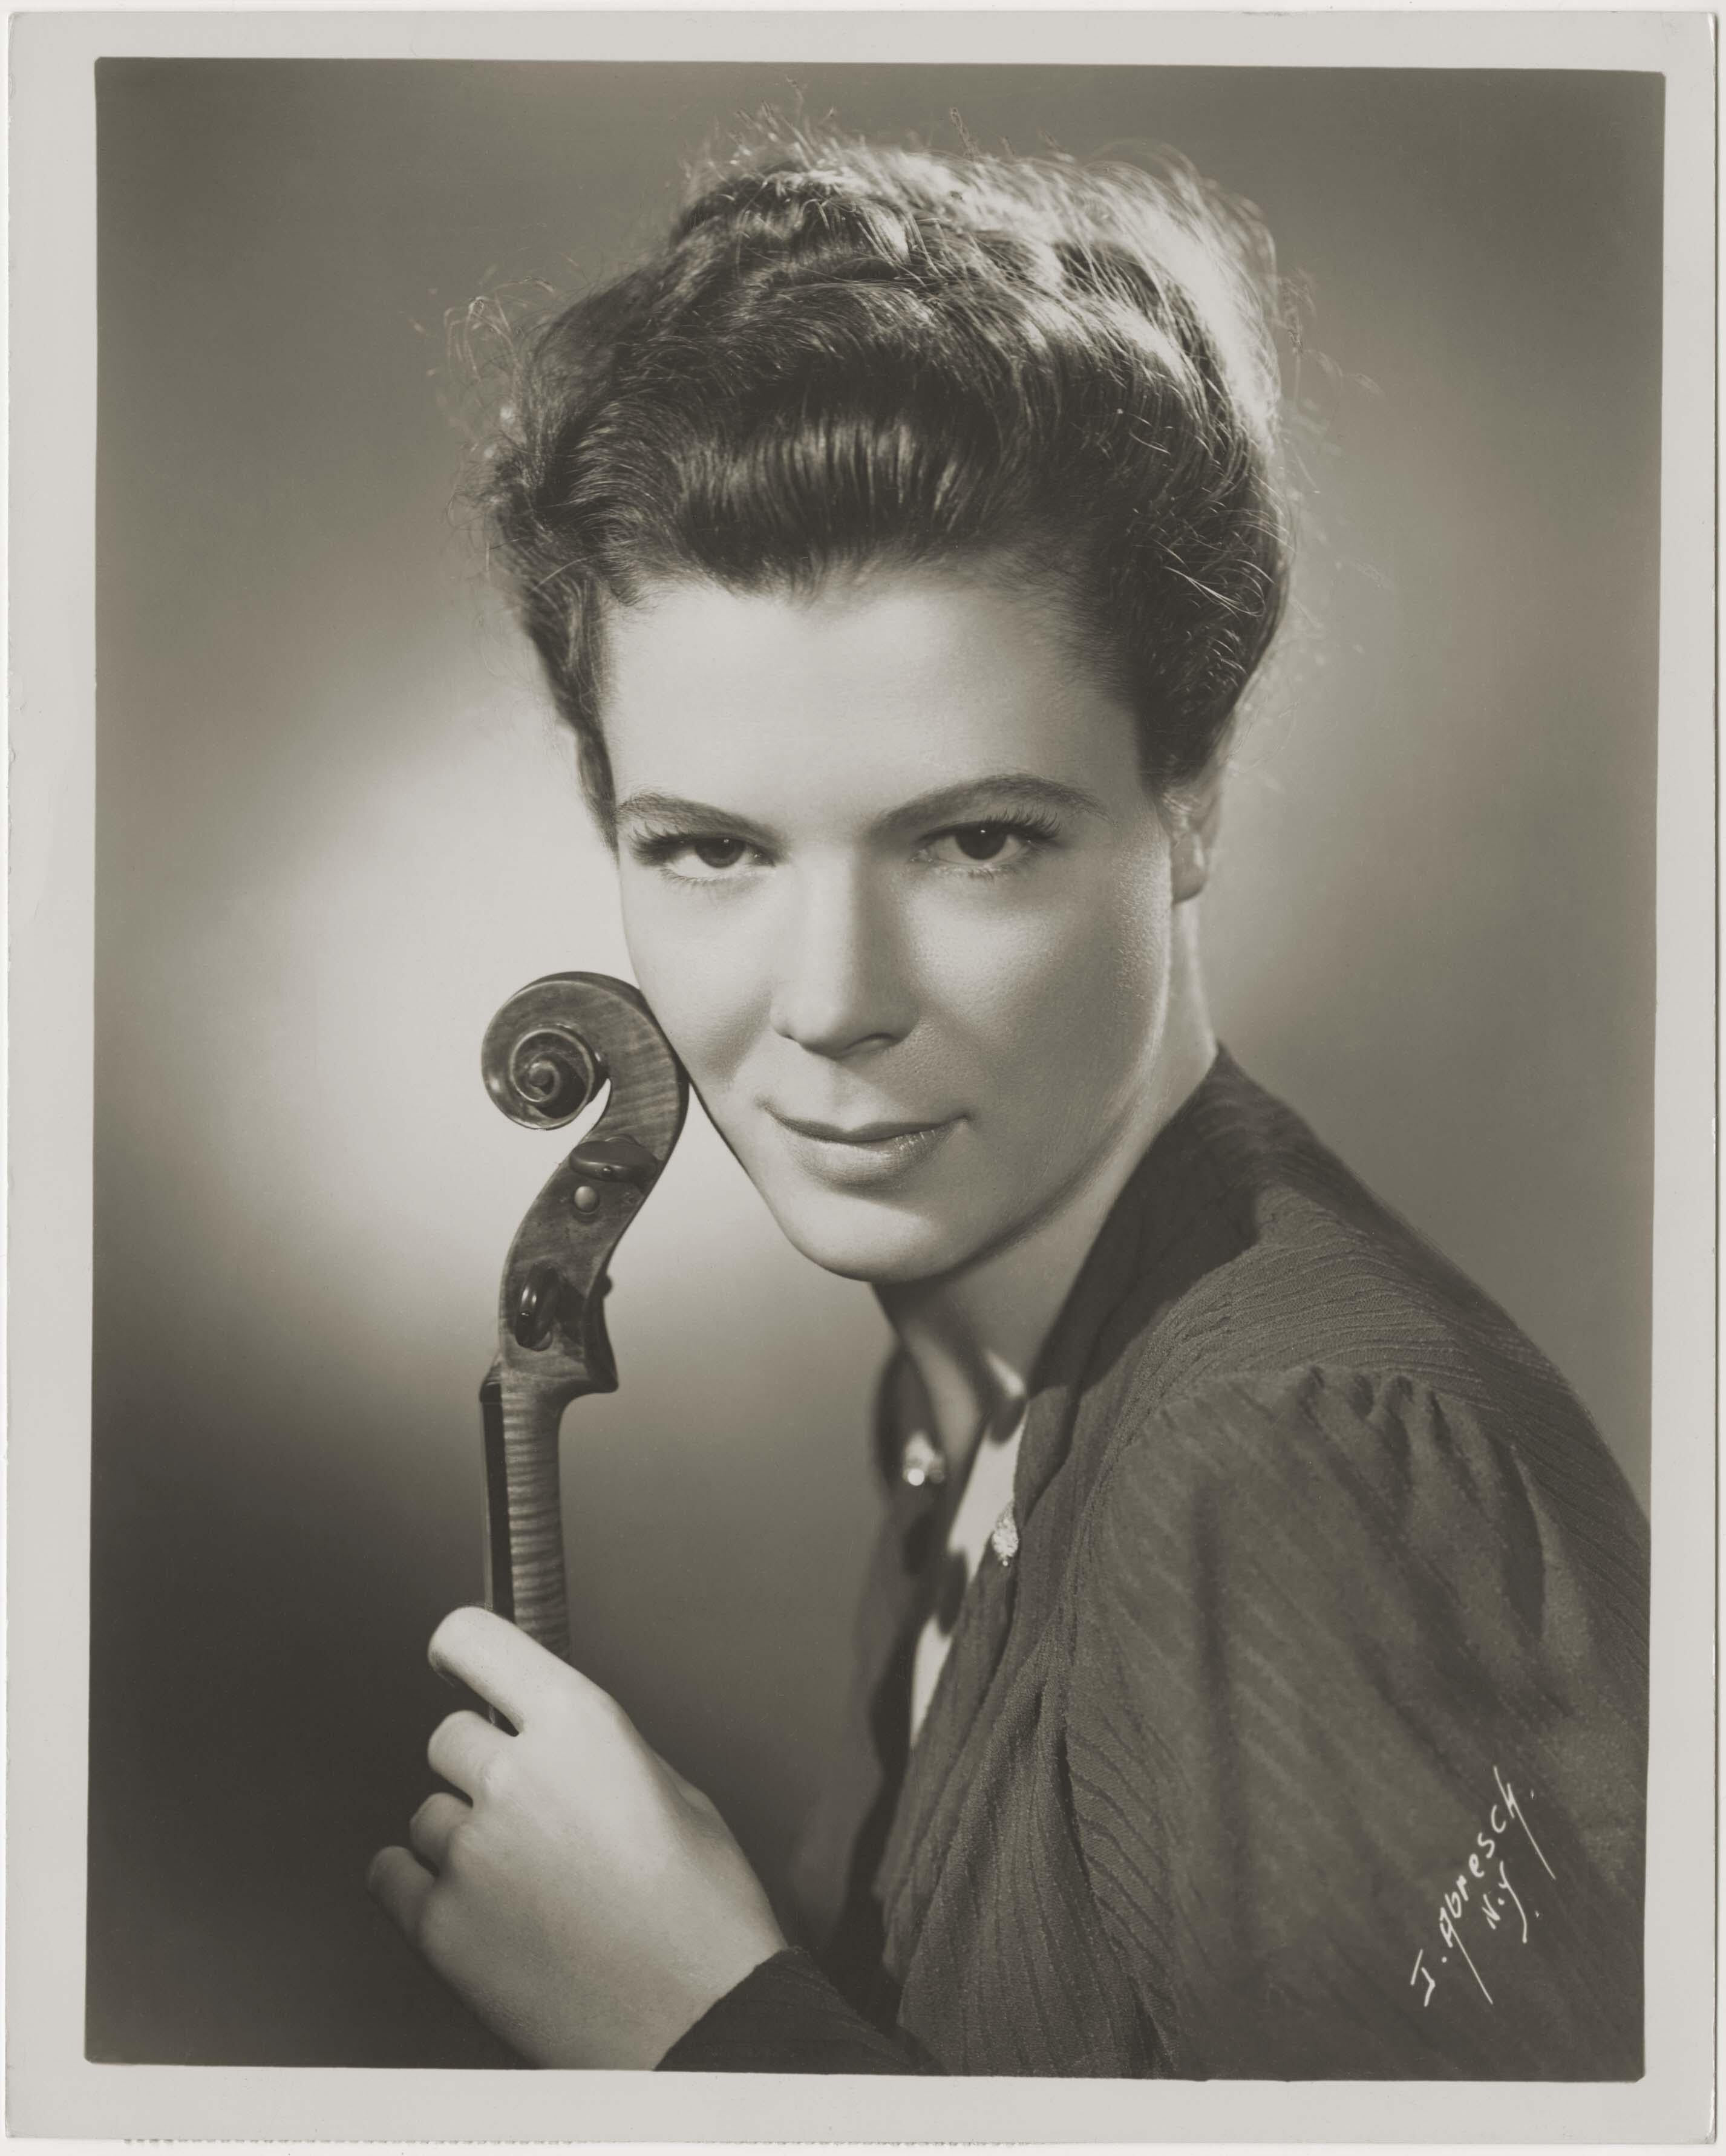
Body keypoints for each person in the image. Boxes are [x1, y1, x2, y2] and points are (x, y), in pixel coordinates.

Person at [365, 126, 1648, 2079]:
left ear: (1190, 792)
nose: (830, 1003)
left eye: (973, 840)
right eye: (710, 849)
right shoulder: (983, 1412)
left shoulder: (1280, 1467)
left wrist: (702, 2032)